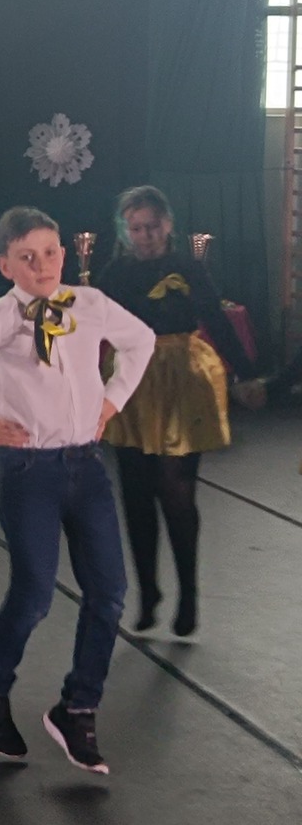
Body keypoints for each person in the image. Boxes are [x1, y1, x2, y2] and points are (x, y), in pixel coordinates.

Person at [0, 206, 154, 775]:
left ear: (64, 255)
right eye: (26, 257)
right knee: (36, 593)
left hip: (86, 466)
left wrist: (111, 402)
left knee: (109, 592)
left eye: (49, 253)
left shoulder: (89, 304)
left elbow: (141, 341)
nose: (41, 265)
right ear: (6, 266)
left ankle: (78, 707)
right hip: (30, 472)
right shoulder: (0, 317)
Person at [96, 186, 262, 638]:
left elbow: (216, 319)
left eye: (152, 227)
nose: (145, 236)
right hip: (133, 380)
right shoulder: (114, 272)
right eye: (136, 229)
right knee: (135, 492)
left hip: (181, 378)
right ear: (125, 231)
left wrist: (246, 374)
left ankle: (188, 592)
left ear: (167, 225)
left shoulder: (189, 267)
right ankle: (149, 590)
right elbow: (91, 325)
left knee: (177, 490)